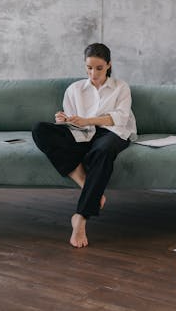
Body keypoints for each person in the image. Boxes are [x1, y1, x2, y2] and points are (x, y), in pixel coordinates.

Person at [32, 43, 137, 248]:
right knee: (40, 129)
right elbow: (74, 122)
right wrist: (64, 120)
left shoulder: (121, 87)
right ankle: (86, 184)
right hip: (82, 133)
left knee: (102, 151)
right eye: (89, 68)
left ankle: (80, 218)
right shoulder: (75, 89)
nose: (93, 73)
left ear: (109, 65)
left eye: (99, 68)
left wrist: (88, 121)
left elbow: (121, 119)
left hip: (113, 132)